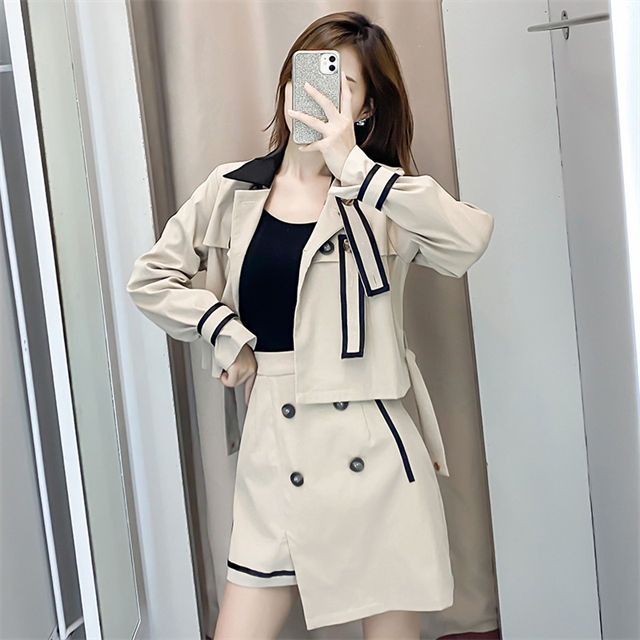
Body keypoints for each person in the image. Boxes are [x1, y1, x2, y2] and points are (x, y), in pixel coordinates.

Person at [126, 10, 495, 639]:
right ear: (289, 84)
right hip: (276, 447)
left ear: (366, 109)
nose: (321, 96)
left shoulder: (383, 198)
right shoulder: (232, 190)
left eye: (344, 86)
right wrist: (225, 333)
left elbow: (468, 241)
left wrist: (354, 166)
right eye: (313, 75)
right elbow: (150, 280)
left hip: (375, 455)